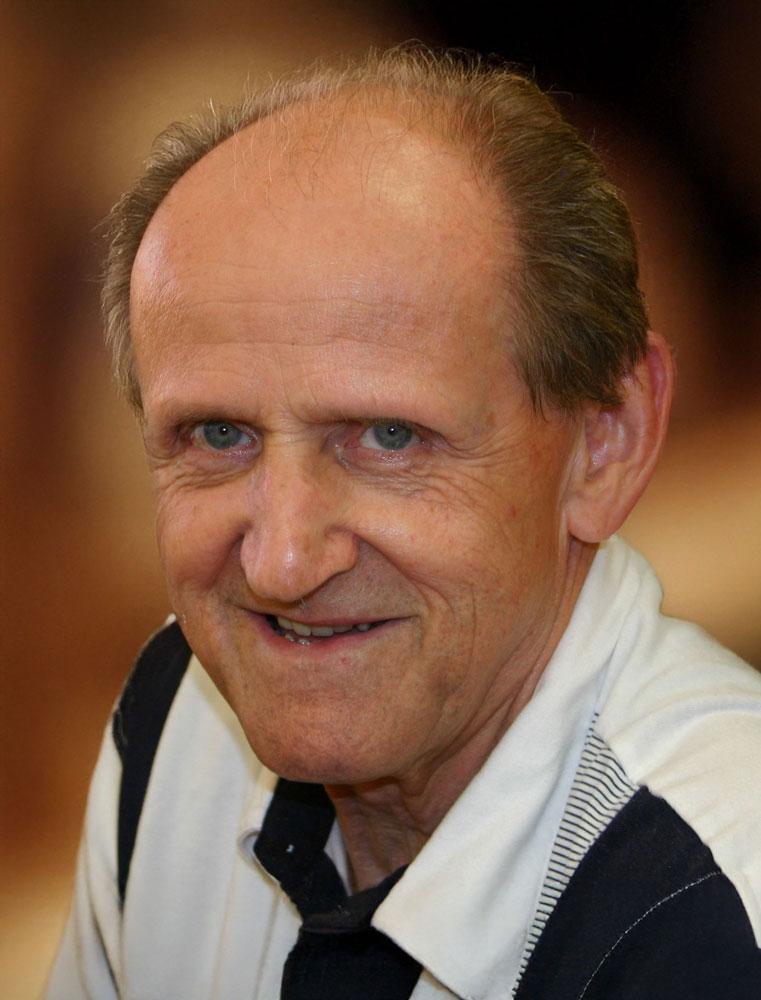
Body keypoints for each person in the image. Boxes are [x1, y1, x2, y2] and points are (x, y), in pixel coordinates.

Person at [46, 47, 761, 999]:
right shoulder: (175, 721)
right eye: (217, 435)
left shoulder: (716, 914)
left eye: (387, 438)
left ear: (607, 441)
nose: (283, 562)